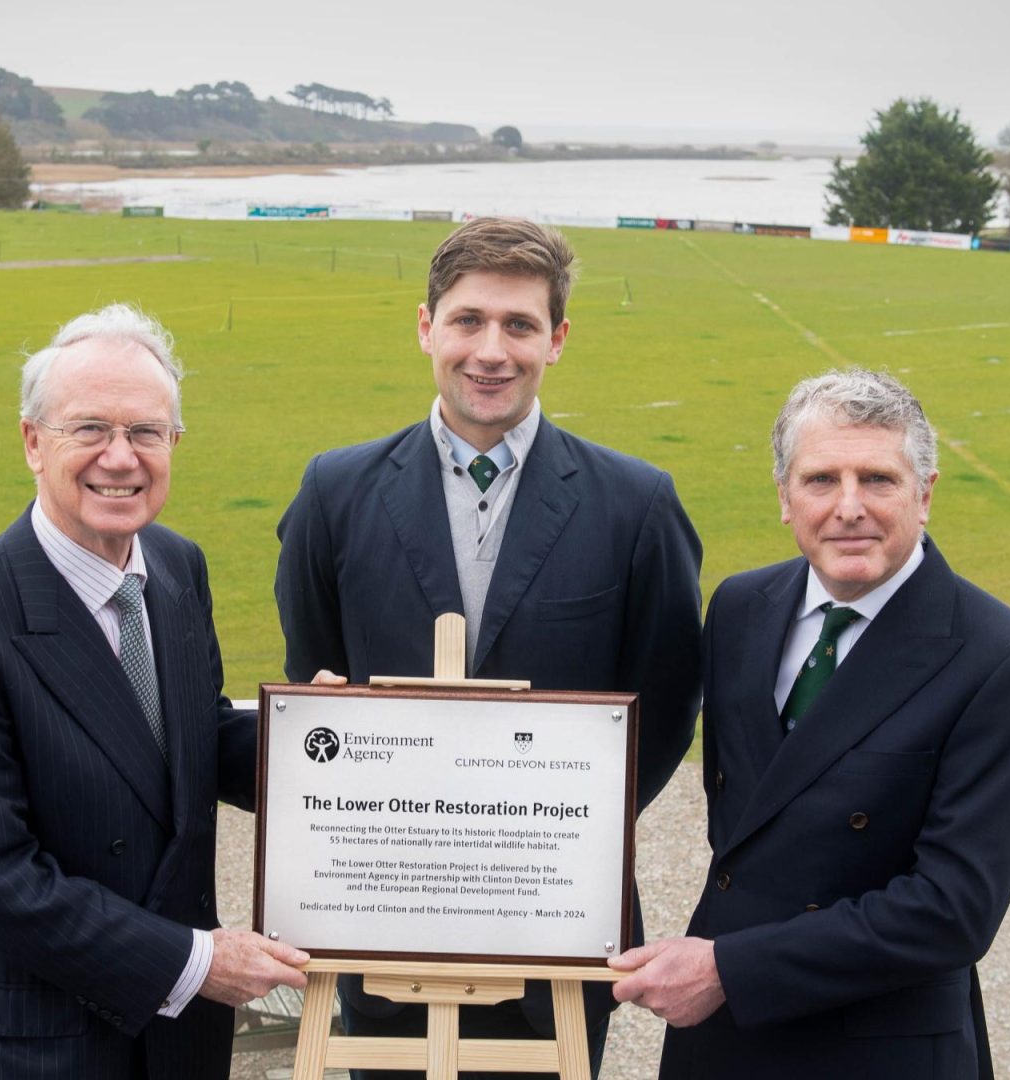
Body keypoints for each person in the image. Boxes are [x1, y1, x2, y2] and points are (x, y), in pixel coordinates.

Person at [274, 217, 704, 1078]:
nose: (491, 350)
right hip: (384, 909)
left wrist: (558, 834)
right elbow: (313, 669)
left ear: (558, 339)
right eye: (469, 320)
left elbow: (662, 711)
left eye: (520, 325)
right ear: (426, 326)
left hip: (555, 908)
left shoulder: (636, 504)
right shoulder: (336, 490)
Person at [608, 368, 1010, 1079]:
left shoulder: (1005, 660)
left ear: (926, 493)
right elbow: (745, 829)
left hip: (877, 1044)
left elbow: (952, 910)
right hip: (722, 1040)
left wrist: (731, 968)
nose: (849, 507)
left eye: (878, 480)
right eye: (822, 480)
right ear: (785, 499)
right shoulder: (737, 608)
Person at [0, 305, 308, 1079]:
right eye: (90, 429)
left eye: (146, 432)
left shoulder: (178, 568)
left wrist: (342, 741)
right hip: (36, 1046)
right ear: (31, 442)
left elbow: (190, 738)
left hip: (177, 1045)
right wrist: (195, 963)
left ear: (174, 445)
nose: (121, 458)